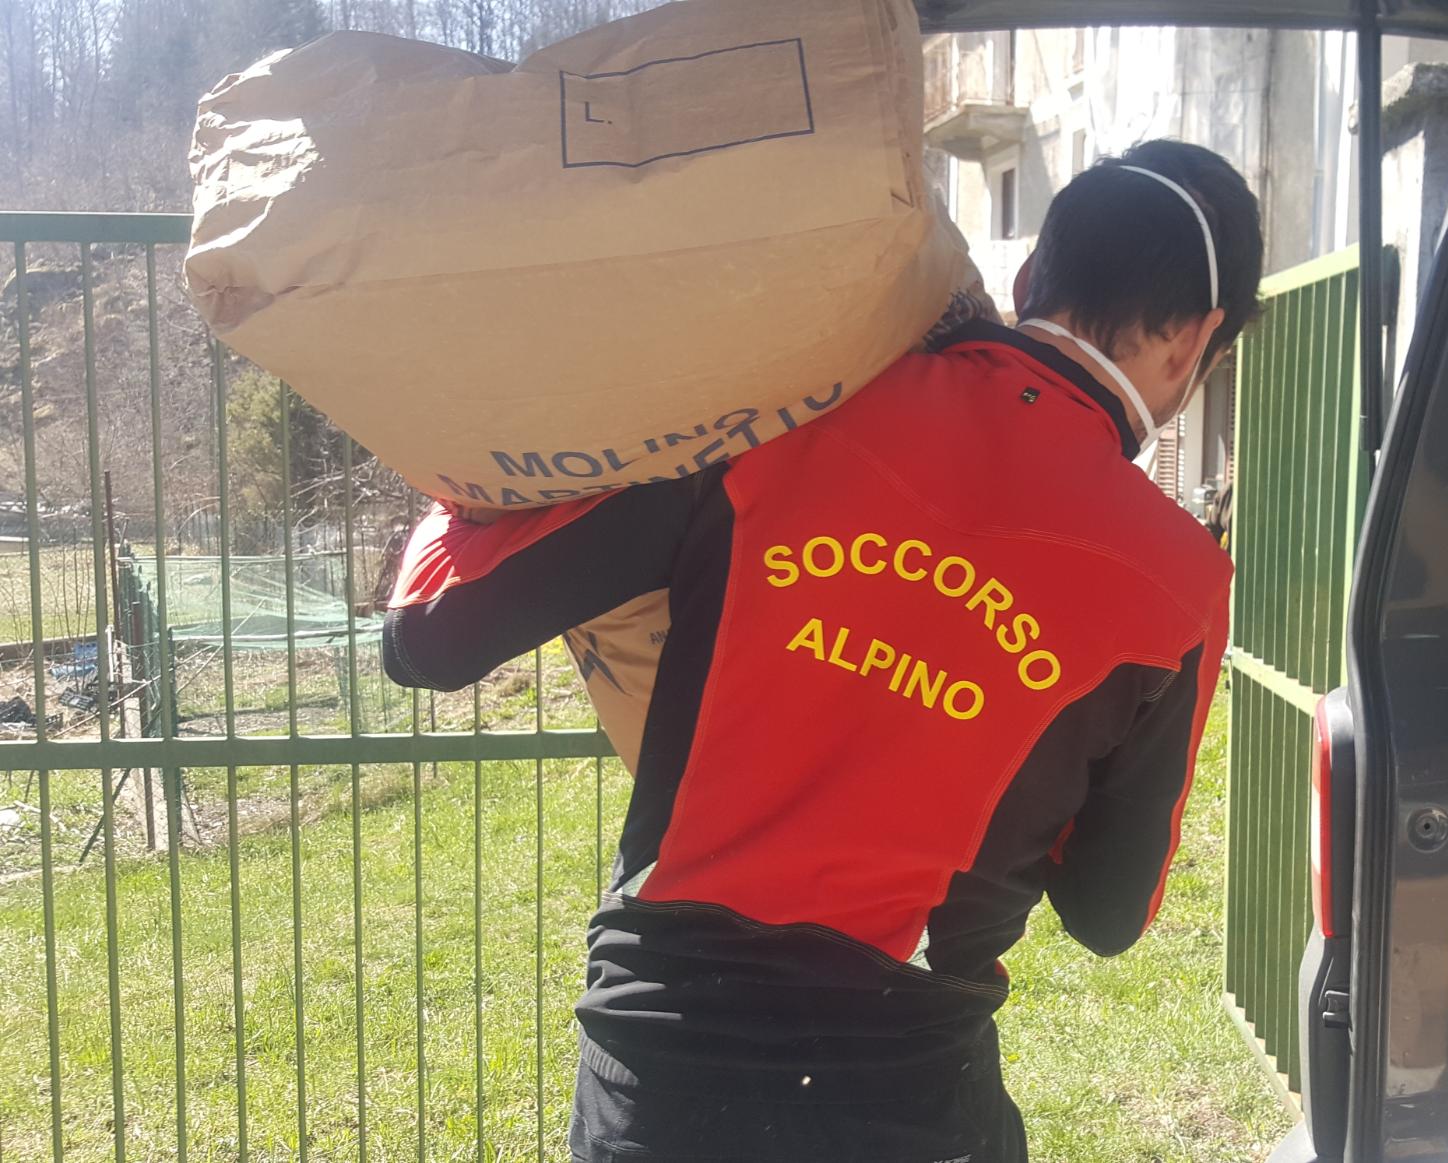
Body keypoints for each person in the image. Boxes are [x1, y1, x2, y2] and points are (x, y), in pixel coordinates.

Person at [383, 138, 1264, 1163]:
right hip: (911, 1107)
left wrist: (457, 457)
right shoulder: (1179, 585)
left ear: (1028, 283)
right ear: (1197, 338)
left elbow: (431, 636)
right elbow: (1108, 911)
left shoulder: (777, 420)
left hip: (663, 1084)